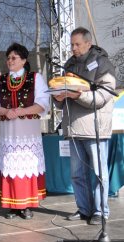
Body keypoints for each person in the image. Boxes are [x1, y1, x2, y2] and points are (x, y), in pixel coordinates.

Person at [53, 27, 116, 225]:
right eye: (71, 44)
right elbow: (62, 99)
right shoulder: (69, 64)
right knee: (77, 174)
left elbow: (103, 96)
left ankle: (100, 212)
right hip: (73, 128)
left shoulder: (103, 63)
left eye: (77, 44)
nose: (73, 48)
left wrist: (77, 95)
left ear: (88, 43)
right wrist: (58, 97)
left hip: (94, 128)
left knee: (98, 174)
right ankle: (84, 209)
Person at [0, 43, 50, 220]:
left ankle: (27, 205)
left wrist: (21, 111)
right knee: (10, 166)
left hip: (28, 133)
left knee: (27, 166)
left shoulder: (35, 78)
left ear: (23, 60)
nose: (9, 61)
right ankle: (13, 206)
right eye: (8, 58)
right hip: (9, 133)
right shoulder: (1, 80)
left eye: (13, 57)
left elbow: (43, 103)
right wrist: (5, 111)